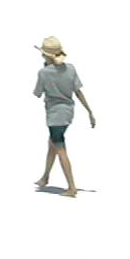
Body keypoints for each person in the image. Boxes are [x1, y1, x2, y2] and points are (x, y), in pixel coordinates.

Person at [32, 36, 94, 197]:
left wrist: (45, 74)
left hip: (54, 115)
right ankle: (45, 177)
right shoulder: (71, 68)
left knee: (60, 148)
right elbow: (78, 91)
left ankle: (72, 187)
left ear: (45, 55)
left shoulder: (44, 73)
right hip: (68, 113)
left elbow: (37, 93)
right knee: (52, 142)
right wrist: (89, 111)